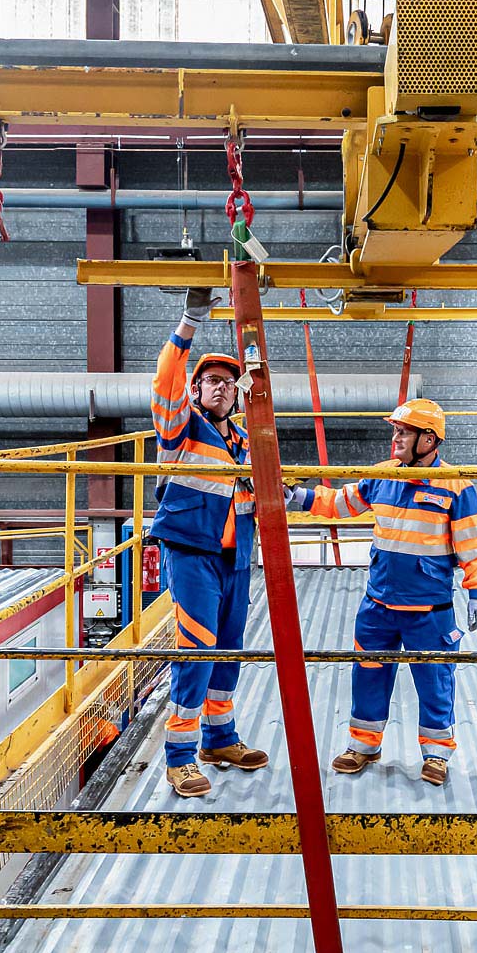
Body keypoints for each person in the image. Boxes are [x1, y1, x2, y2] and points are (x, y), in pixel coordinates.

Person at [287, 398, 477, 786]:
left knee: (435, 679)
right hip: (378, 604)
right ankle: (364, 744)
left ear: (429, 440)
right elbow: (341, 503)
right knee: (369, 674)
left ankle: (436, 754)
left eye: (403, 432)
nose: (395, 438)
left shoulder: (457, 485)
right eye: (395, 430)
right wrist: (299, 496)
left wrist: (476, 591)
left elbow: (471, 543)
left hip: (430, 609)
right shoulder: (382, 476)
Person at [149, 286, 269, 797]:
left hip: (236, 558)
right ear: (196, 393)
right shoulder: (180, 428)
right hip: (192, 553)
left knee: (228, 650)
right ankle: (179, 756)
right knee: (196, 649)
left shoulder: (245, 441)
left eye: (228, 383)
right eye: (211, 382)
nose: (221, 388)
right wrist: (188, 321)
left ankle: (219, 739)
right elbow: (164, 383)